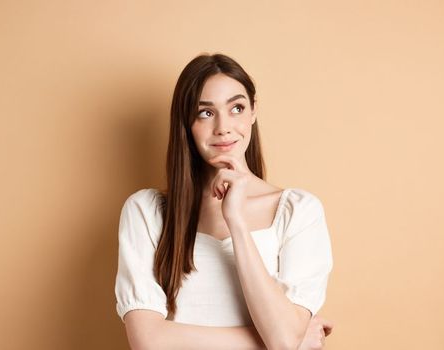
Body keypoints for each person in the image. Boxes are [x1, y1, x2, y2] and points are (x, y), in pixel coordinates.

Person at [114, 53, 335, 350]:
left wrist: (237, 223)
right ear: (186, 122)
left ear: (253, 111)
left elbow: (282, 342)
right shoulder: (147, 212)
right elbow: (148, 342)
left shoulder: (298, 211)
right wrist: (281, 338)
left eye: (237, 108)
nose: (223, 127)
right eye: (206, 113)